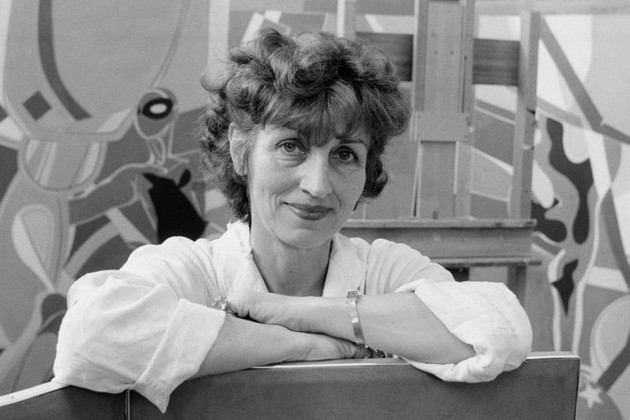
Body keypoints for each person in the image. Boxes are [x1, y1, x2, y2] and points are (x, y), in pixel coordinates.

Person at [52, 28, 532, 413]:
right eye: (291, 146)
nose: (318, 185)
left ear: (367, 170)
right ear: (241, 152)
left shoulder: (385, 272)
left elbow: (501, 329)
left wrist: (299, 313)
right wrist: (301, 346)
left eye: (345, 154)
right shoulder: (193, 271)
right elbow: (91, 335)